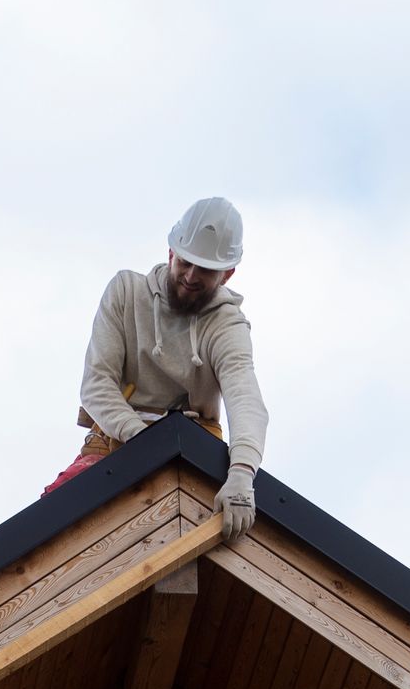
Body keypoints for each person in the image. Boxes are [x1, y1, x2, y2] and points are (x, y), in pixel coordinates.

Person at [51, 197, 268, 536]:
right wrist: (143, 439)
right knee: (57, 516)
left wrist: (241, 472)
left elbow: (245, 398)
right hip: (113, 438)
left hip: (194, 445)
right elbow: (97, 384)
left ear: (228, 274)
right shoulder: (126, 292)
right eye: (185, 263)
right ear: (171, 254)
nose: (191, 277)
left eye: (206, 270)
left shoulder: (226, 325)